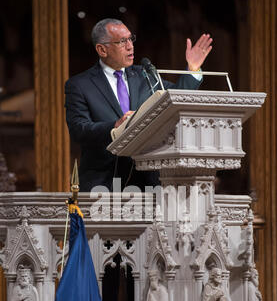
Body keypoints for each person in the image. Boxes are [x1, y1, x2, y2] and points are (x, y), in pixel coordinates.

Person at [65, 18, 213, 192]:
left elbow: (176, 98)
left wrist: (193, 69)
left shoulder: (144, 75)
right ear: (102, 49)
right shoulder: (80, 85)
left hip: (147, 182)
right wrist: (114, 127)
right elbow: (78, 129)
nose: (130, 46)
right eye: (122, 41)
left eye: (130, 39)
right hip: (103, 183)